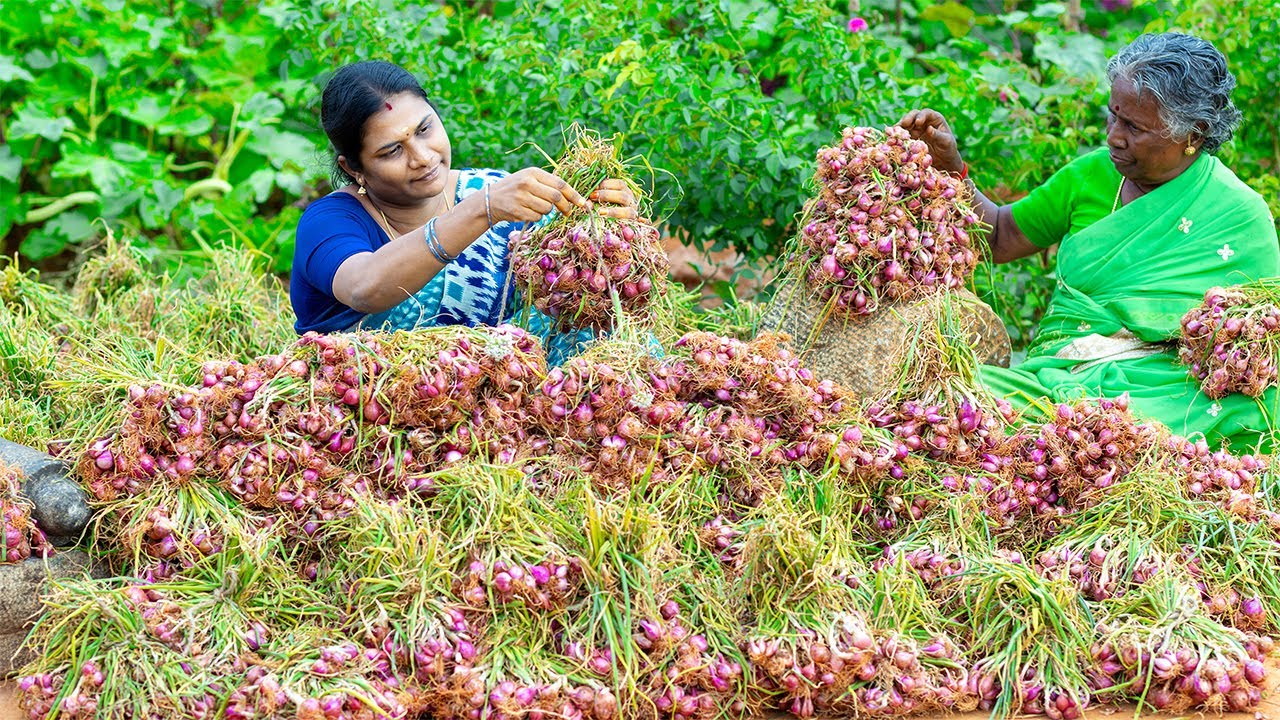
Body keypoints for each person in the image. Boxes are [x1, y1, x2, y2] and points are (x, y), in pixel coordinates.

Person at [899, 32, 1280, 452]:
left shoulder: (1238, 214)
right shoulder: (1092, 174)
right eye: (1113, 116)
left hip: (1167, 392)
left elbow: (1256, 346)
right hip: (1055, 374)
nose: (1114, 136)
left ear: (1193, 133)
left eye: (1134, 127)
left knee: (1251, 412)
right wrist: (951, 168)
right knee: (947, 394)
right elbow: (1001, 237)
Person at [290, 61, 638, 360]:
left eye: (425, 130)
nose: (422, 157)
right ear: (354, 169)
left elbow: (582, 285)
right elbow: (365, 288)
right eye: (392, 151)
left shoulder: (494, 191)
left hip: (508, 402)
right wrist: (480, 211)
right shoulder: (330, 222)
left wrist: (606, 226)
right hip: (384, 416)